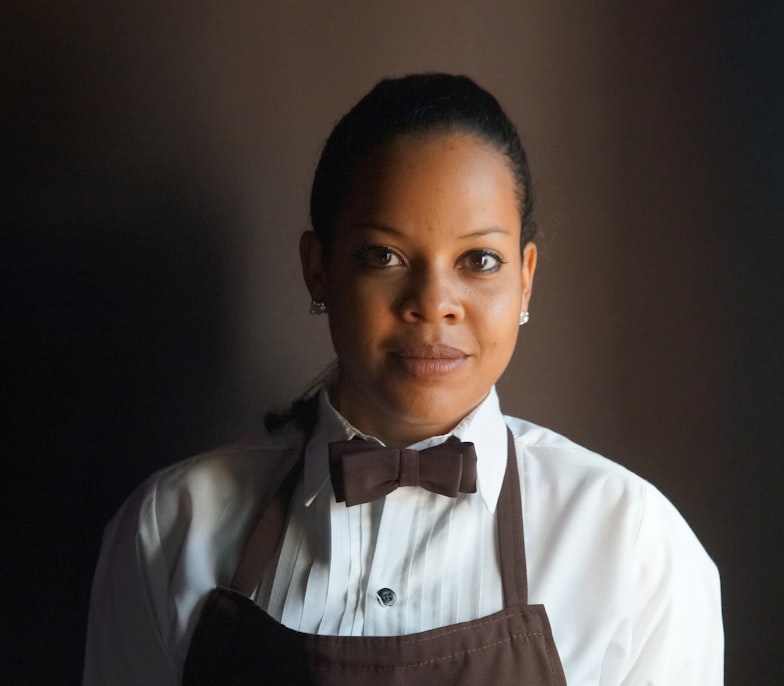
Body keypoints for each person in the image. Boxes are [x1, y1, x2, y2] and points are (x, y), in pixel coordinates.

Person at [83, 73, 724, 685]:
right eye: (383, 256)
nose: (433, 301)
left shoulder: (635, 545)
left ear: (525, 277)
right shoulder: (170, 527)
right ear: (319, 269)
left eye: (479, 260)